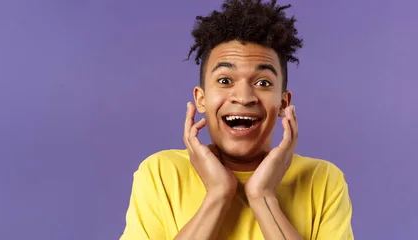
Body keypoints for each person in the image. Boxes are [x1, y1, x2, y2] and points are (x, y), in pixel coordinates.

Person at [119, 0, 354, 239]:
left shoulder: (322, 180)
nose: (243, 97)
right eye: (224, 81)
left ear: (283, 103)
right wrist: (218, 194)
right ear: (201, 99)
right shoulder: (161, 173)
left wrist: (262, 197)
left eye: (263, 83)